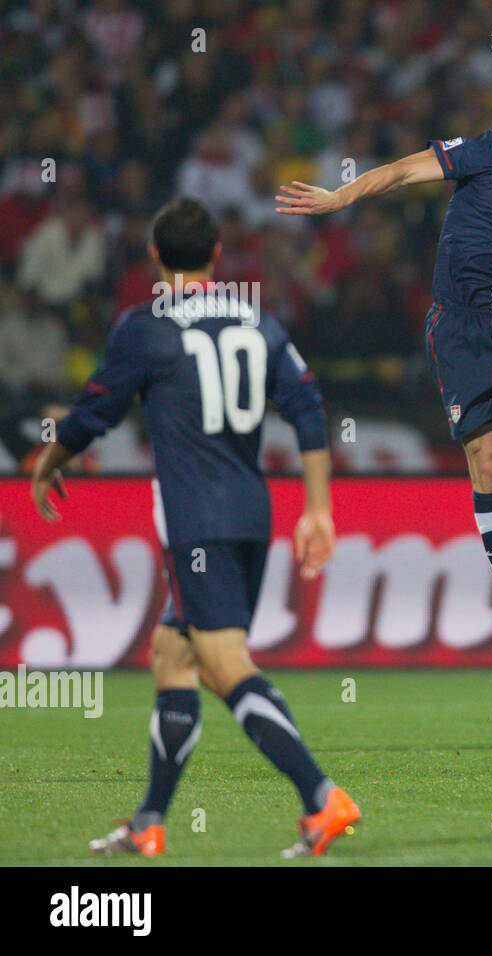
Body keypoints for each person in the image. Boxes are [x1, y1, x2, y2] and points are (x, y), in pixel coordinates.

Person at [29, 197, 359, 857]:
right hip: (252, 513)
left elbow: (94, 414)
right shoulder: (258, 320)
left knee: (223, 663)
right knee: (172, 654)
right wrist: (318, 507)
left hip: (197, 521)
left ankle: (322, 796)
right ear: (215, 255)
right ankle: (149, 822)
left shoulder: (144, 326)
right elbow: (306, 405)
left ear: (155, 254)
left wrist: (48, 463)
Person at [276, 107, 492, 664]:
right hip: (462, 332)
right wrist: (340, 198)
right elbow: (404, 171)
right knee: (488, 463)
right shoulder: (491, 151)